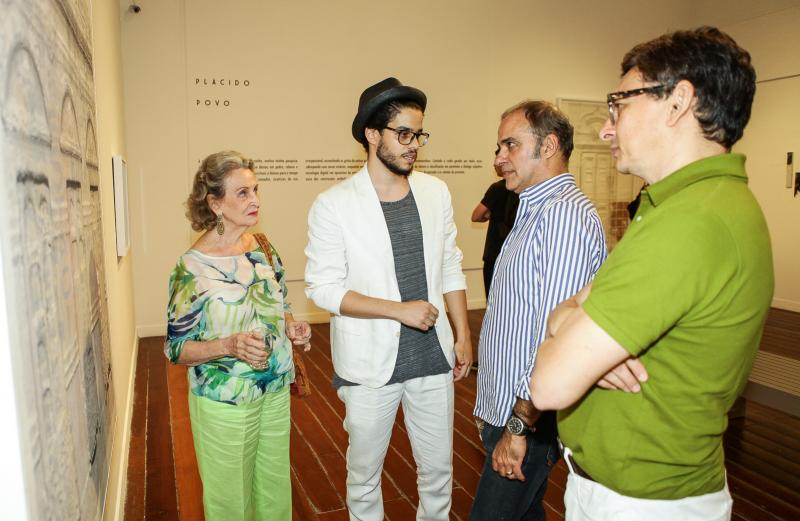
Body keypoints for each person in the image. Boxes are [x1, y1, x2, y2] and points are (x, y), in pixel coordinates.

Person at [530, 27, 773, 521]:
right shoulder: (690, 206)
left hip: (642, 503)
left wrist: (572, 338)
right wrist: (573, 329)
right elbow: (563, 312)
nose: (607, 128)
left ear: (678, 102)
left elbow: (547, 385)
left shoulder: (690, 222)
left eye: (619, 104)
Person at [305, 77, 471, 521]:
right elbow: (322, 287)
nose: (413, 145)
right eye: (403, 134)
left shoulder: (435, 192)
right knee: (364, 478)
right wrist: (398, 311)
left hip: (433, 355)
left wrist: (462, 333)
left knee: (438, 474)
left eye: (418, 134)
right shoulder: (334, 204)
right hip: (368, 365)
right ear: (372, 134)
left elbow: (450, 264)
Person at [470, 101, 607, 521]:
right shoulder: (534, 209)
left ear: (548, 146)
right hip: (514, 413)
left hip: (529, 421)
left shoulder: (563, 215)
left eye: (510, 145)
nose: (499, 158)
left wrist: (518, 427)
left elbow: (557, 339)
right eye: (498, 147)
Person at [165, 150, 312, 521]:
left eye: (255, 190)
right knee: (230, 501)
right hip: (225, 400)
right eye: (243, 193)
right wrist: (229, 345)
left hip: (275, 389)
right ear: (215, 204)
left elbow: (282, 300)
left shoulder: (262, 247)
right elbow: (176, 348)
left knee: (275, 490)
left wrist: (292, 325)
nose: (255, 200)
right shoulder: (191, 268)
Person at [472, 175, 519, 296]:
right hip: (516, 253)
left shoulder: (497, 188)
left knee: (493, 299)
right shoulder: (526, 187)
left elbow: (476, 216)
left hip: (495, 252)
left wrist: (489, 215)